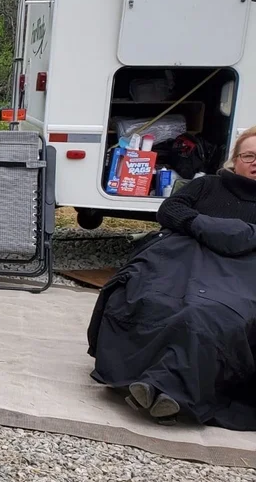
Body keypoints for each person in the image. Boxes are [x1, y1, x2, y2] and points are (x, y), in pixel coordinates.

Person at [88, 125, 256, 429]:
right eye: (249, 156)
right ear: (235, 159)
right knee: (151, 297)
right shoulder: (208, 186)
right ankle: (161, 389)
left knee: (207, 314)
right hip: (183, 260)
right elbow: (170, 209)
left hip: (240, 274)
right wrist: (201, 225)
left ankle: (161, 387)